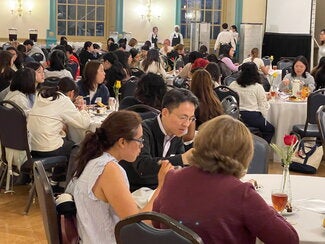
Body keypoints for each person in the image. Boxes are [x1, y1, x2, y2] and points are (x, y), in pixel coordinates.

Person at [153, 115, 299, 244]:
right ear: (244, 153)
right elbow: (288, 239)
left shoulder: (172, 179)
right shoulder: (241, 193)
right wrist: (266, 208)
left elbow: (156, 223)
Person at [65, 111, 173, 243]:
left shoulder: (94, 158)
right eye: (139, 140)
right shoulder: (109, 169)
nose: (142, 145)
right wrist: (162, 186)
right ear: (122, 142)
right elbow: (138, 225)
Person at [120, 88, 199, 192]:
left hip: (161, 189)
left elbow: (179, 167)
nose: (186, 124)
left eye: (191, 119)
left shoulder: (177, 133)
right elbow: (142, 166)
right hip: (135, 191)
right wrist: (182, 158)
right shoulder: (143, 130)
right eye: (183, 117)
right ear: (165, 112)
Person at [27, 77, 91, 191]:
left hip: (31, 146)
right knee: (76, 147)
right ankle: (67, 187)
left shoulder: (41, 95)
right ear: (71, 93)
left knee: (65, 141)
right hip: (47, 147)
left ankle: (55, 181)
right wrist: (83, 110)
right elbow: (83, 124)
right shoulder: (64, 100)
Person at [229, 62, 274, 143]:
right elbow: (262, 106)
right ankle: (261, 149)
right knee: (270, 129)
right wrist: (264, 118)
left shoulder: (233, 84)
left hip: (236, 116)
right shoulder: (257, 87)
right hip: (253, 117)